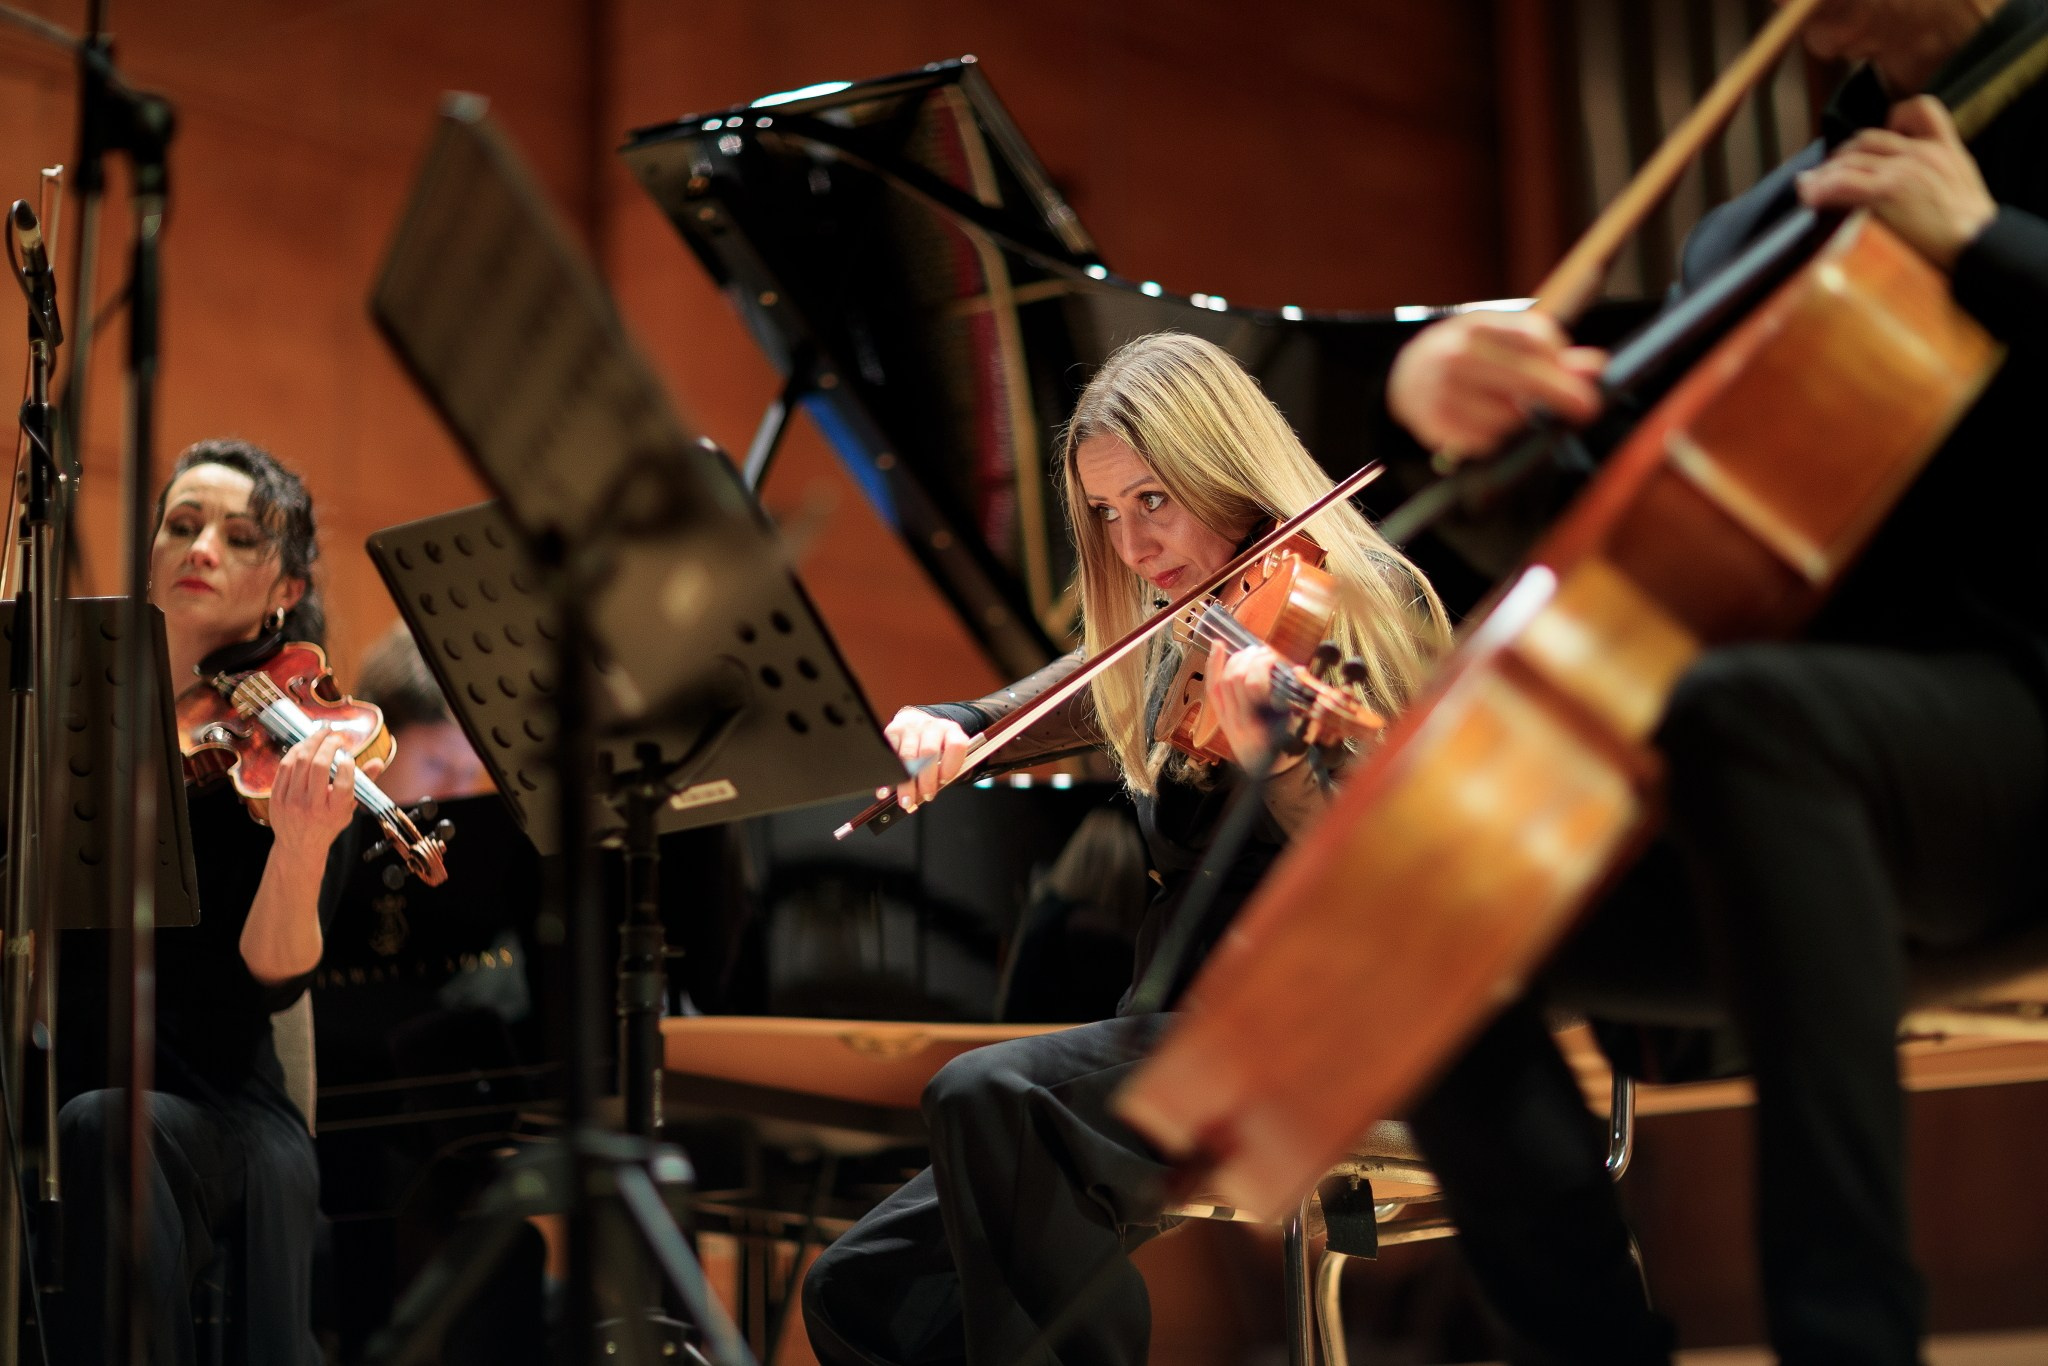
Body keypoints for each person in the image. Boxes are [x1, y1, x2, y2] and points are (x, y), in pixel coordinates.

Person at [1385, 1, 2048, 1360]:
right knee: (1427, 880)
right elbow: (1631, 537)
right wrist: (1469, 419)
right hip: (1798, 797)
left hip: (2019, 737)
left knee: (1750, 716)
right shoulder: (1756, 230)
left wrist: (1986, 246)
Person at [801, 331, 1451, 1366]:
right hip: (1182, 1037)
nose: (1132, 543)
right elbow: (1039, 706)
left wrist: (1281, 766)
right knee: (862, 1289)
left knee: (989, 1096)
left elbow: (1396, 874)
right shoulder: (1184, 634)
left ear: (1220, 466)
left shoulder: (1361, 599)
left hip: (1323, 1035)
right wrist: (955, 721)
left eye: (1153, 498)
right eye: (1105, 513)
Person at [52, 439, 368, 1365]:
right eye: (182, 527)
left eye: (238, 538)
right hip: (59, 1070)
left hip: (214, 1112)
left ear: (285, 589)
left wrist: (302, 846)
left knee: (102, 1123)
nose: (201, 550)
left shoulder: (302, 745)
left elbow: (272, 981)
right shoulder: (76, 720)